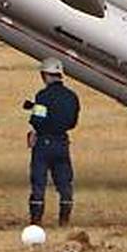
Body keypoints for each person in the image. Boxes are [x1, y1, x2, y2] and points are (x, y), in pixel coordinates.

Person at [25, 58, 82, 226]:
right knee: (65, 183)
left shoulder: (42, 96)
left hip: (44, 144)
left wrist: (35, 131)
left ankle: (36, 221)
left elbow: (38, 119)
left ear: (45, 75)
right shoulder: (72, 96)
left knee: (39, 183)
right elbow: (72, 122)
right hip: (62, 142)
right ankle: (64, 220)